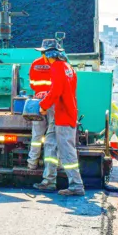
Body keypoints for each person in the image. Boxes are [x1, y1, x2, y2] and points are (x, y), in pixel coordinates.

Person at [33, 41, 85, 196]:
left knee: (67, 151)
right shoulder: (68, 68)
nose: (43, 57)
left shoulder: (56, 68)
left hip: (63, 115)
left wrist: (43, 105)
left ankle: (76, 185)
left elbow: (56, 90)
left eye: (44, 53)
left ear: (49, 54)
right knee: (50, 143)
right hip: (62, 114)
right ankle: (48, 181)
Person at [26, 39, 56, 170]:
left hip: (38, 102)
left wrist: (41, 92)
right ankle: (52, 165)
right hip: (53, 101)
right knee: (52, 134)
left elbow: (32, 84)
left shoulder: (35, 64)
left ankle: (32, 163)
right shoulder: (58, 65)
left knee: (37, 134)